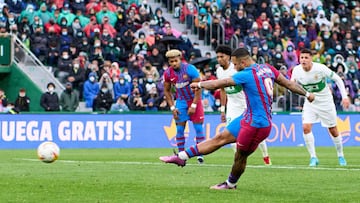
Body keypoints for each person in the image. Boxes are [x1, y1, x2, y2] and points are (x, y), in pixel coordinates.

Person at [160, 48, 314, 190]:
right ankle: (181, 157)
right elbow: (288, 84)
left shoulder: (246, 73)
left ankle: (230, 183)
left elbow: (221, 83)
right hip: (247, 117)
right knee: (219, 138)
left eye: (235, 64)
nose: (234, 67)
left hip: (257, 124)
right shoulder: (268, 68)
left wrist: (199, 84)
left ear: (243, 62)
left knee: (240, 156)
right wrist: (307, 94)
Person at [291, 48, 349, 167]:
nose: (303, 60)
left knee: (333, 129)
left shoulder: (320, 68)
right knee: (306, 127)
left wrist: (344, 96)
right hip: (310, 103)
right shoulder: (296, 70)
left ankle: (340, 155)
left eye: (306, 57)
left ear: (311, 59)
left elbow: (337, 79)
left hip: (325, 102)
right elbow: (292, 85)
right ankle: (313, 157)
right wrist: (304, 93)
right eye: (302, 57)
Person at [215, 45, 272, 165]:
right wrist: (222, 109)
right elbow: (222, 89)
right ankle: (240, 161)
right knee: (230, 136)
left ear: (229, 57)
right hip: (232, 106)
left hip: (246, 104)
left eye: (222, 56)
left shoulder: (236, 69)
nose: (219, 59)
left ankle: (266, 157)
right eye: (218, 57)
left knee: (255, 133)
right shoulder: (219, 71)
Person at [163, 49, 206, 164]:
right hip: (181, 102)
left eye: (175, 61)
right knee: (180, 129)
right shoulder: (168, 73)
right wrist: (172, 107)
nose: (173, 64)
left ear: (180, 59)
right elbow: (167, 91)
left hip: (194, 100)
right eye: (171, 62)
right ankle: (181, 156)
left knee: (198, 128)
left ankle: (200, 155)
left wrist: (194, 105)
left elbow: (198, 88)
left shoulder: (190, 69)